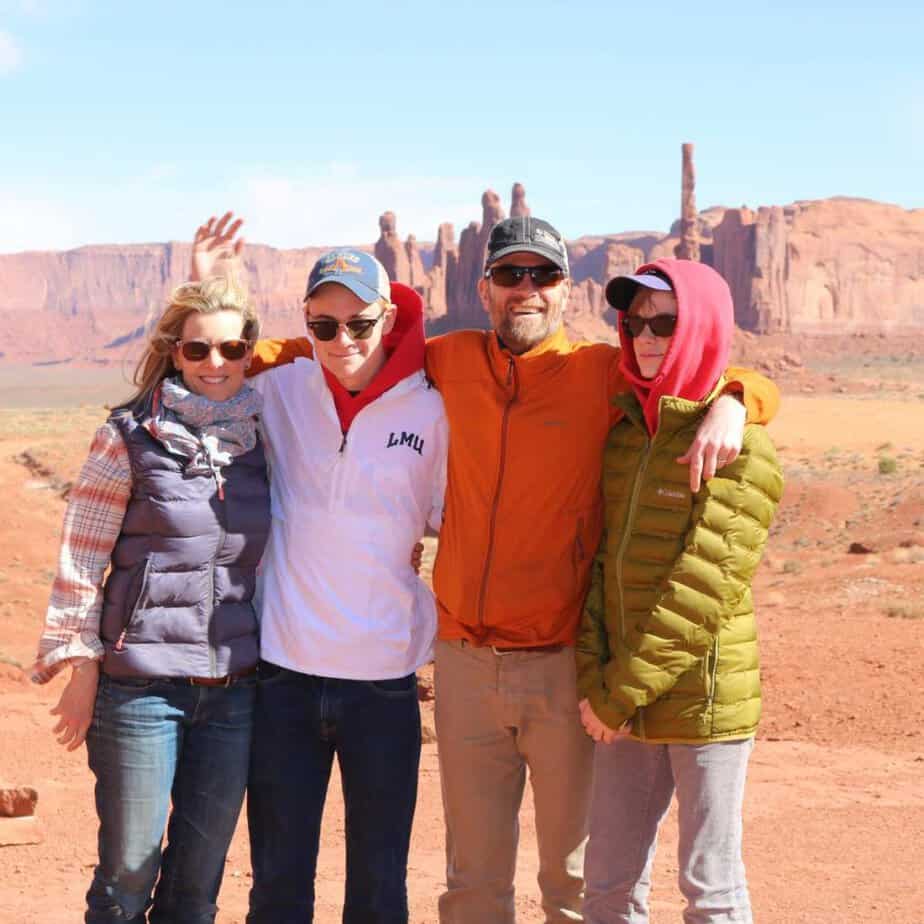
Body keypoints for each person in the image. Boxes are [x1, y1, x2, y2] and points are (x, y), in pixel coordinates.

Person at [219, 211, 780, 923]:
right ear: (483, 290)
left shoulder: (600, 372)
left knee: (572, 883)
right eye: (509, 275)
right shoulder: (445, 360)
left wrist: (738, 401)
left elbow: (700, 366)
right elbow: (337, 342)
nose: (526, 289)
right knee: (473, 883)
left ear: (566, 291)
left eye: (542, 275)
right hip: (464, 663)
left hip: (562, 664)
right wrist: (233, 344)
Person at [190, 222, 448, 923]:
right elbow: (193, 382)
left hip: (385, 689)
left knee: (377, 887)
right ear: (306, 326)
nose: (343, 340)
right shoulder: (278, 392)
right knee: (276, 886)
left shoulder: (434, 408)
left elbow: (463, 521)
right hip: (283, 682)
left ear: (386, 316)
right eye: (324, 326)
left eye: (359, 322)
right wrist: (208, 283)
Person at [32, 275, 270, 923]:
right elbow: (82, 557)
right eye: (197, 350)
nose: (215, 363)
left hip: (234, 693)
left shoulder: (263, 439)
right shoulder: (129, 434)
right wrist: (82, 669)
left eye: (231, 347)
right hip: (140, 693)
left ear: (252, 350)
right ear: (173, 353)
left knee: (197, 887)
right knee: (128, 876)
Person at [575, 260, 783, 923]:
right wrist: (593, 675)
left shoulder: (741, 447)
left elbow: (702, 592)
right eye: (634, 322)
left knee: (710, 890)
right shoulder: (628, 434)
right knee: (607, 886)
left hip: (704, 703)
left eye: (666, 322)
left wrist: (615, 694)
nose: (647, 337)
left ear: (702, 327)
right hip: (625, 700)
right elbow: (604, 565)